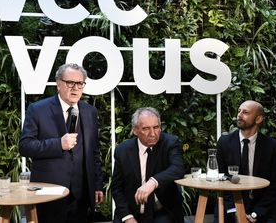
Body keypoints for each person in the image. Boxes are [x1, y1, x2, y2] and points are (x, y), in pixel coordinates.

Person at [19, 63, 104, 223]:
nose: (75, 88)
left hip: (82, 194)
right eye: (70, 83)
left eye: (80, 83)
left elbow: (94, 152)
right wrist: (59, 144)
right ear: (58, 84)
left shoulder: (89, 111)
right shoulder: (38, 109)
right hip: (49, 192)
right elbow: (25, 146)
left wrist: (97, 184)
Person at [216, 100, 276, 223]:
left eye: (245, 112)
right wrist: (235, 211)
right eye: (239, 111)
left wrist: (255, 214)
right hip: (232, 204)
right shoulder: (224, 142)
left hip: (264, 205)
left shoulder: (272, 146)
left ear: (258, 119)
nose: (239, 115)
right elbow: (221, 179)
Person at [112, 107, 185, 223]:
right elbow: (117, 188)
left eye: (156, 127)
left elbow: (178, 168)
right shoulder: (123, 151)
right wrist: (127, 217)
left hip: (162, 211)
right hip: (130, 211)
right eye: (146, 129)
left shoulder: (169, 143)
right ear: (135, 130)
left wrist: (153, 182)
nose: (152, 134)